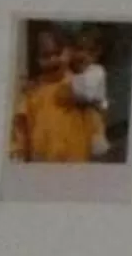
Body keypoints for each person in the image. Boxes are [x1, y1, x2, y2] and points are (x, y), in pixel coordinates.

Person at [11, 24, 108, 164]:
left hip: (76, 162)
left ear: (68, 52)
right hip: (42, 165)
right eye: (45, 56)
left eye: (58, 53)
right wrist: (18, 153)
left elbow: (95, 116)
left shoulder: (77, 84)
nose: (53, 59)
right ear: (36, 60)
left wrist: (98, 136)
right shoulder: (32, 92)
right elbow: (21, 128)